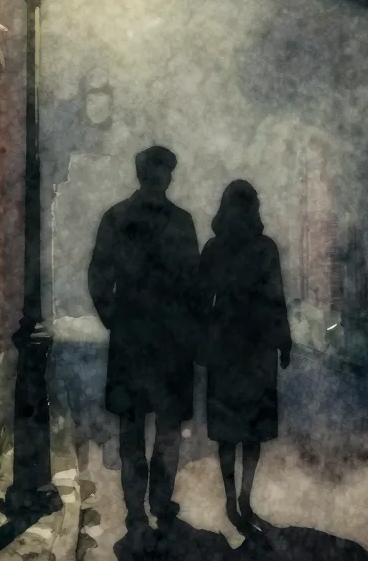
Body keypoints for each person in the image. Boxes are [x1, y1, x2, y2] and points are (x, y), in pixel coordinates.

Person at [87, 146, 201, 535]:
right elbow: (194, 284)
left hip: (145, 340)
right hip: (157, 341)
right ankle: (148, 503)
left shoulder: (120, 218)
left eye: (163, 172)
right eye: (158, 171)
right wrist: (117, 319)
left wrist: (116, 319)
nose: (161, 178)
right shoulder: (174, 221)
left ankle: (144, 505)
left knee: (141, 429)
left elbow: (100, 276)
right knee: (149, 429)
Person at [197, 180, 292, 536]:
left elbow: (202, 299)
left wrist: (202, 342)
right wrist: (283, 341)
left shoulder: (215, 248)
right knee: (249, 431)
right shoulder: (263, 248)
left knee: (233, 432)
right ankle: (242, 498)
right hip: (255, 345)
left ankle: (234, 499)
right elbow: (275, 298)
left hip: (230, 346)